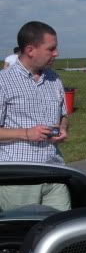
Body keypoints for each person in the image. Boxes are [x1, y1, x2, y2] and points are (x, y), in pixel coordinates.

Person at [0, 21, 70, 211]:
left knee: (61, 227)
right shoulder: (3, 81)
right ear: (30, 50)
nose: (56, 53)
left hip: (54, 172)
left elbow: (64, 115)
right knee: (25, 229)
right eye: (51, 49)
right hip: (20, 178)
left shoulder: (54, 79)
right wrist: (26, 133)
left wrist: (63, 128)